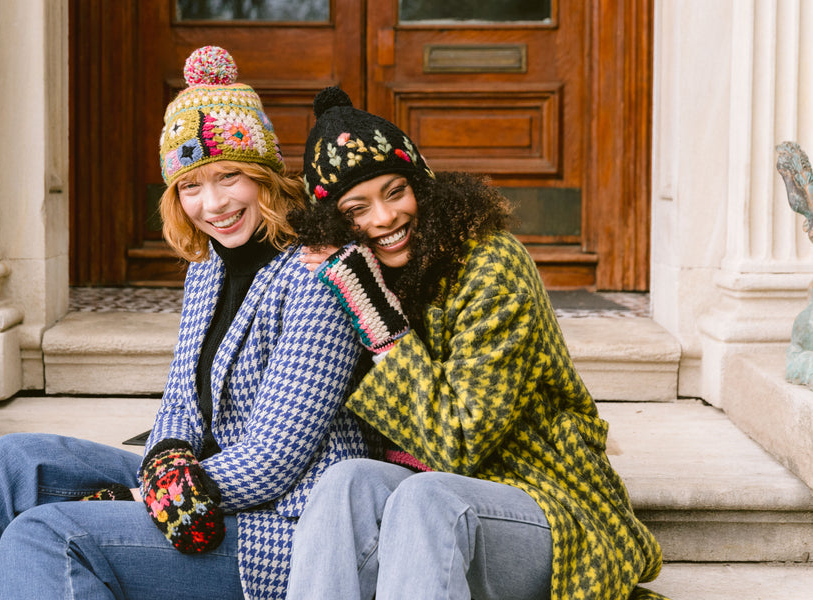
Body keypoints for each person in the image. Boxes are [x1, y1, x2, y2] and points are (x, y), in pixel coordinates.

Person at [0, 48, 366, 600]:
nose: (213, 203)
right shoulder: (207, 266)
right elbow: (179, 402)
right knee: (15, 461)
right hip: (192, 494)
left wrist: (142, 493)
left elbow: (272, 460)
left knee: (48, 535)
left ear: (266, 176)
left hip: (287, 530)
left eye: (230, 177)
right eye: (191, 187)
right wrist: (165, 459)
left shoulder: (317, 273)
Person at [284, 87, 670, 600]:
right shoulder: (362, 273)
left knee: (427, 497)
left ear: (423, 185)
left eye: (396, 191)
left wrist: (378, 318)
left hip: (548, 501)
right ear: (335, 221)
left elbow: (457, 446)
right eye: (357, 208)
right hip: (433, 518)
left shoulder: (490, 264)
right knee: (344, 483)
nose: (383, 218)